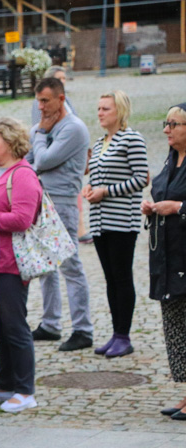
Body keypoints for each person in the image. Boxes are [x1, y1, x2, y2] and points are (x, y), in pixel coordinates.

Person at [0, 119, 43, 414]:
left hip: (11, 263)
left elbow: (22, 219)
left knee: (15, 326)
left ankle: (26, 389)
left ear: (10, 142)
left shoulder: (24, 174)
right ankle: (5, 384)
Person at [27, 77, 93, 351]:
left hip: (63, 202)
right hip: (42, 200)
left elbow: (43, 160)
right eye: (38, 101)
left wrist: (41, 135)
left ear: (61, 99)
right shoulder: (40, 129)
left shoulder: (73, 128)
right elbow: (29, 163)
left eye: (46, 101)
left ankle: (83, 329)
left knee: (70, 264)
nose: (40, 107)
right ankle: (51, 323)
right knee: (45, 264)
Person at [83, 91, 148, 358]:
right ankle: (115, 332)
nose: (100, 113)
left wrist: (106, 191)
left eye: (106, 109)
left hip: (123, 220)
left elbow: (141, 178)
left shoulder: (132, 139)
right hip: (100, 221)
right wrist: (90, 189)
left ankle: (124, 334)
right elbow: (96, 177)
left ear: (119, 111)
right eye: (99, 108)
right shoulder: (99, 143)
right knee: (110, 279)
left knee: (122, 277)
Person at [146, 104, 186, 420]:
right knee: (176, 327)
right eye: (166, 122)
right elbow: (161, 188)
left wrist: (179, 207)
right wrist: (154, 206)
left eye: (173, 123)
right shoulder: (171, 159)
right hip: (168, 258)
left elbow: (179, 203)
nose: (166, 129)